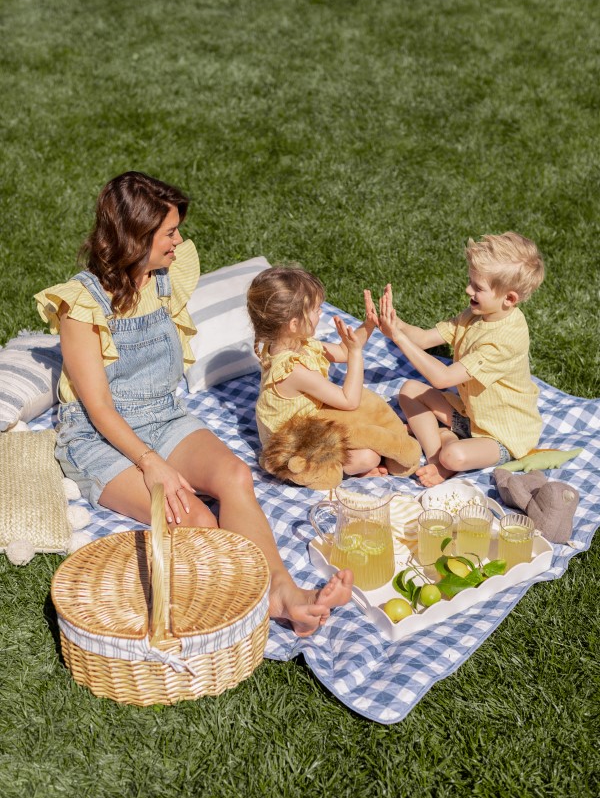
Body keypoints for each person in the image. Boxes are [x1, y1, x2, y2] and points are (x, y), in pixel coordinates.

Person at [35, 172, 352, 635]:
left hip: (161, 415)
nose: (179, 241)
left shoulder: (166, 276)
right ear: (134, 237)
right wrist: (152, 465)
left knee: (235, 476)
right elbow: (99, 407)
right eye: (169, 232)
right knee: (195, 517)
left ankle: (282, 588)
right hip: (97, 435)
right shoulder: (81, 304)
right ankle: (253, 598)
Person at [371, 232, 545, 487]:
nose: (468, 290)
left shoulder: (505, 340)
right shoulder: (476, 315)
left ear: (509, 299)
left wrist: (399, 338)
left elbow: (442, 378)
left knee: (454, 456)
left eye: (478, 287)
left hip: (501, 434)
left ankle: (446, 454)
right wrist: (393, 324)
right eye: (470, 281)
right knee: (409, 390)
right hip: (469, 414)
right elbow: (422, 339)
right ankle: (435, 458)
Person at [247, 265, 386, 477]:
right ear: (294, 324)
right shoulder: (293, 370)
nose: (321, 312)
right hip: (292, 445)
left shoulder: (293, 343)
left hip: (307, 426)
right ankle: (305, 471)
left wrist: (368, 325)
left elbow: (341, 351)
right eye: (316, 309)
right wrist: (356, 354)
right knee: (368, 457)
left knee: (370, 422)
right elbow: (349, 401)